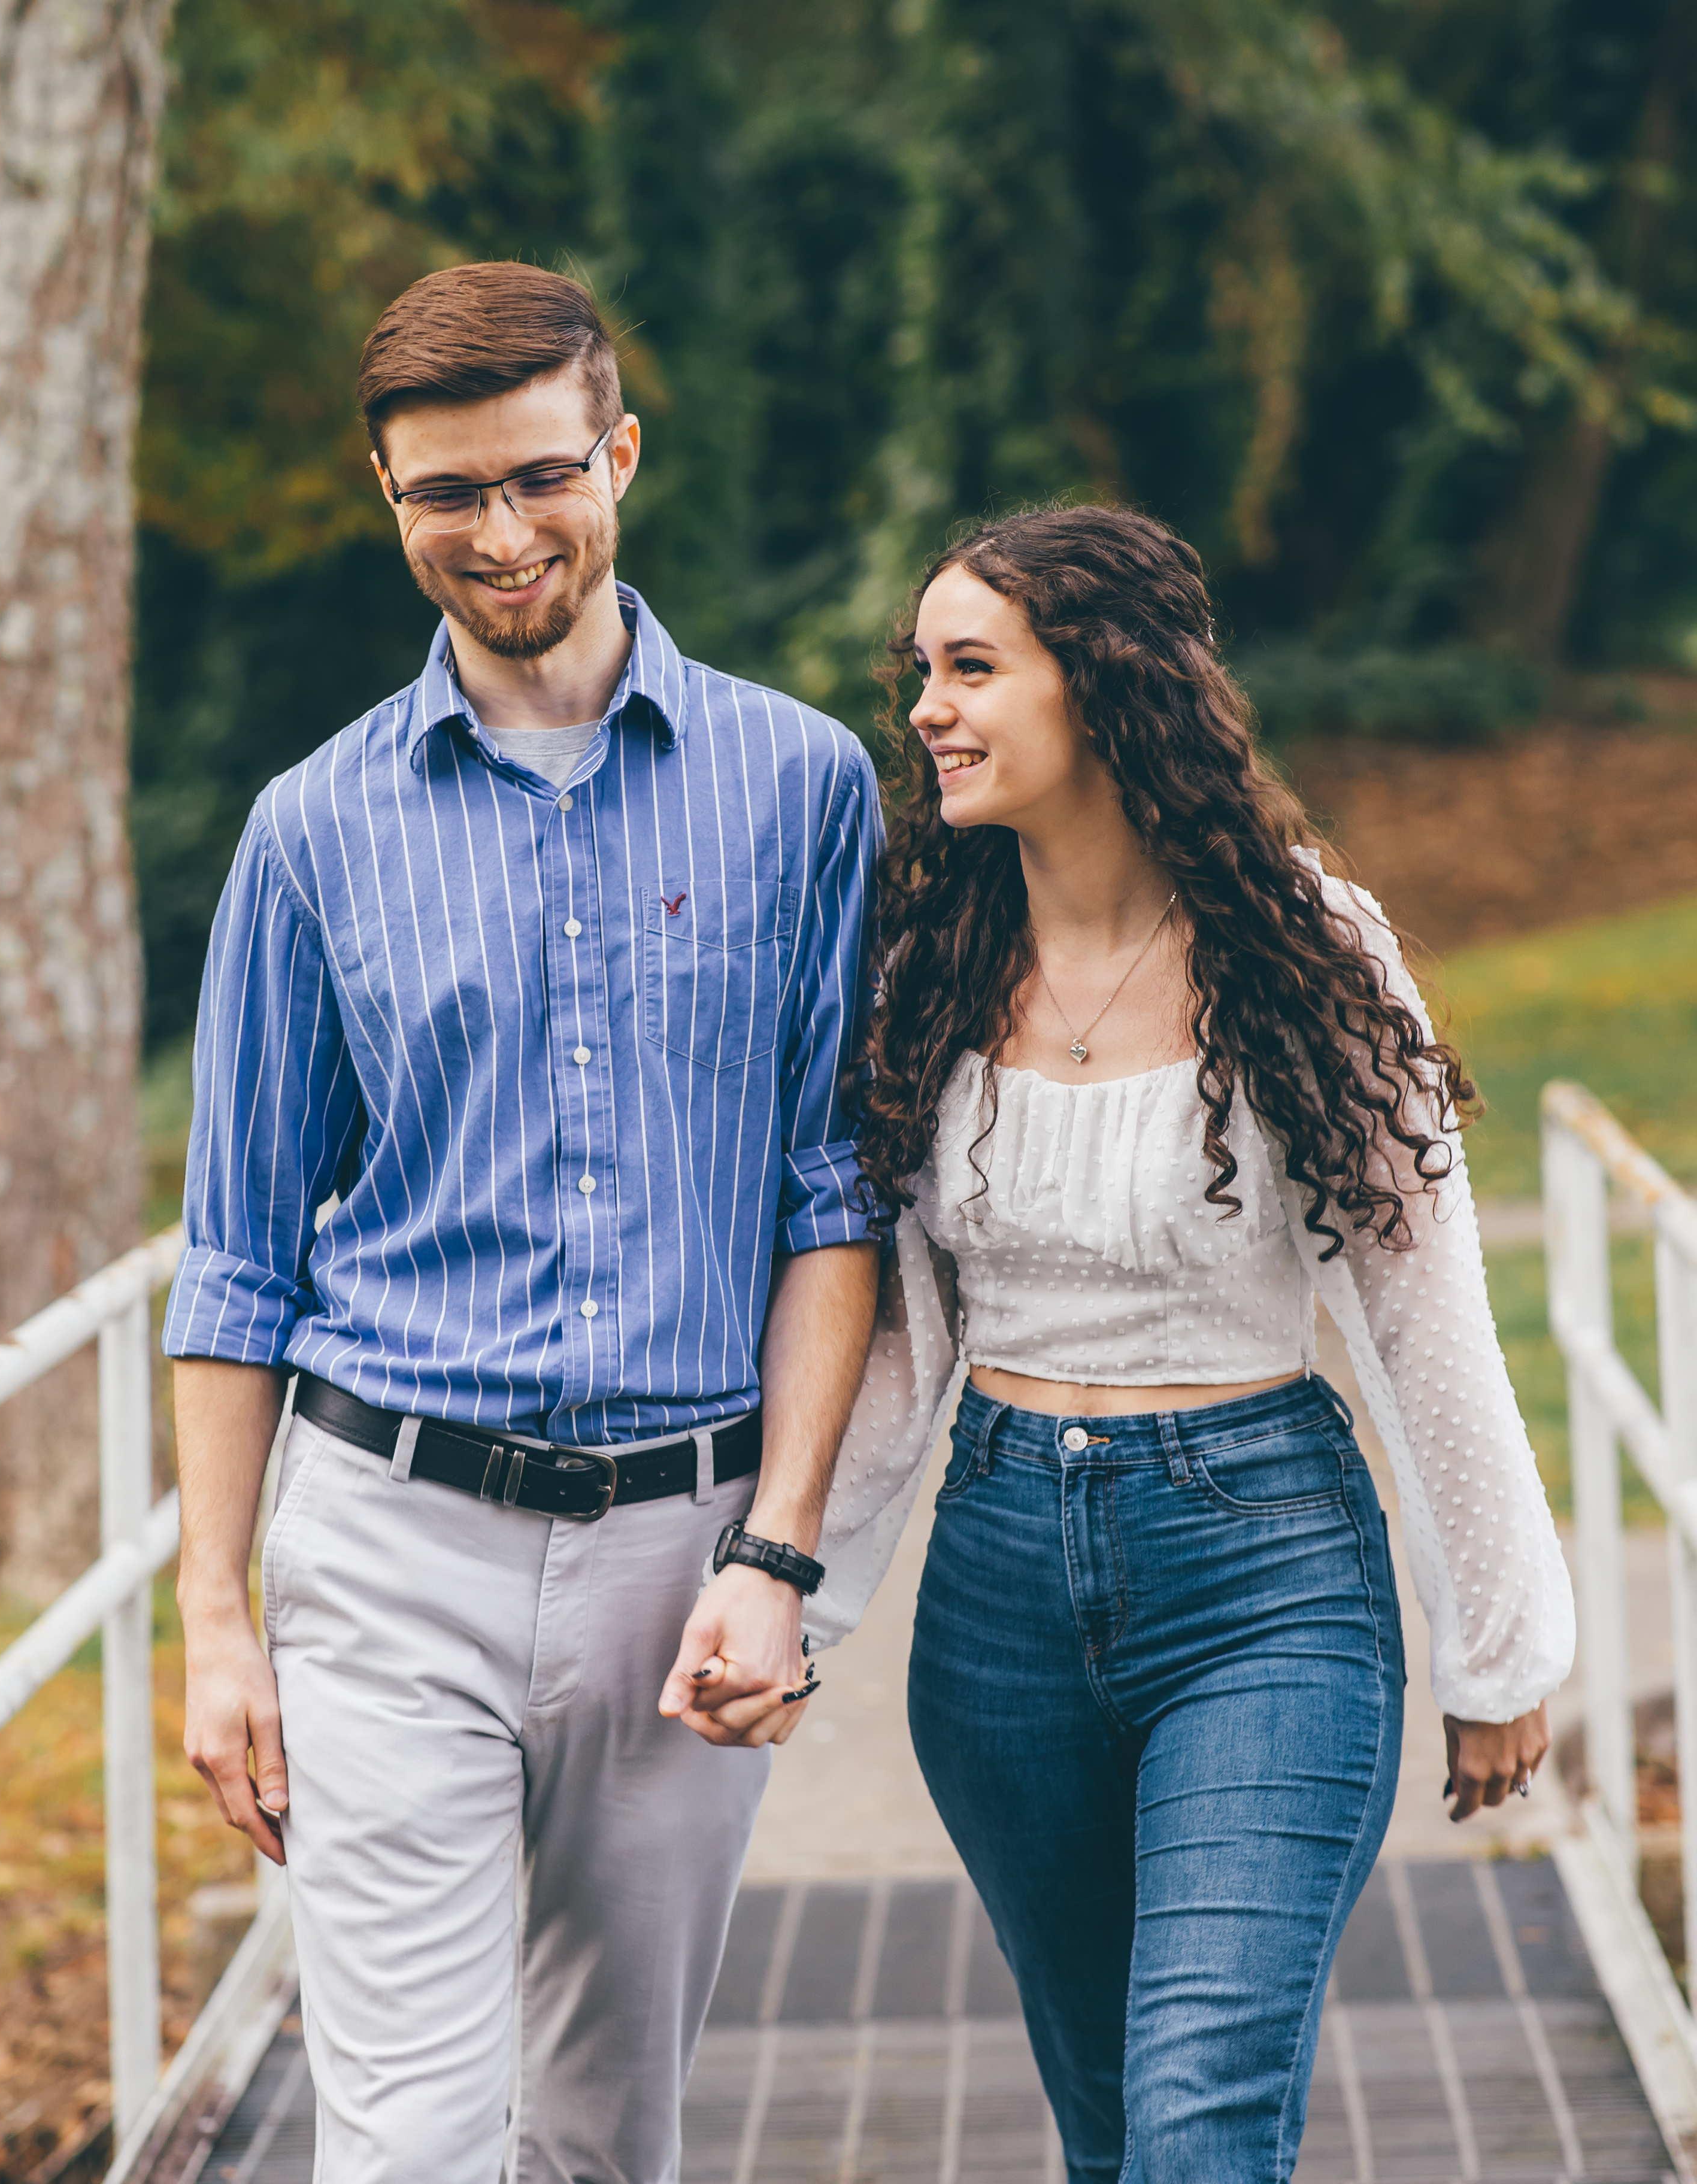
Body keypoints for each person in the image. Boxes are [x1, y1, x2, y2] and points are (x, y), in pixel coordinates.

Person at [163, 262, 882, 2184]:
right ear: (383, 494)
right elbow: (235, 1255)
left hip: (681, 1559)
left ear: (622, 457)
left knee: (603, 2140)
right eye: (442, 497)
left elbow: (832, 1199)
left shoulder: (802, 785)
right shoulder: (310, 832)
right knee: (403, 2147)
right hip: (389, 1548)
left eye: (538, 479)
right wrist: (215, 1620)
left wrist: (780, 1558)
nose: (497, 537)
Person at [803, 502, 1575, 2183]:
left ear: (1103, 686)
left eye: (972, 668)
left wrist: (1496, 1642)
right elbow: (903, 1332)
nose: (926, 708)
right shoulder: (928, 958)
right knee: (1109, 2129)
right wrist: (790, 1581)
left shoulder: (1306, 947)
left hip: (1266, 1575)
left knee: (1199, 2115)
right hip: (999, 1592)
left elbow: (1417, 1308)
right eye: (920, 672)